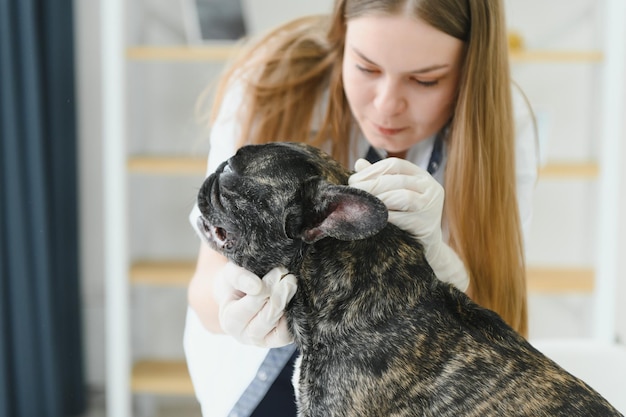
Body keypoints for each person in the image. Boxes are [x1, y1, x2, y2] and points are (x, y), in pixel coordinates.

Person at [184, 0, 539, 416]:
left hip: (400, 389)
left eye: (426, 80)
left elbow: (497, 324)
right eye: (366, 68)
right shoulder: (269, 82)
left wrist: (442, 265)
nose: (387, 105)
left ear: (470, 68)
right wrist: (229, 302)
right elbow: (204, 289)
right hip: (258, 380)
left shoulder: (502, 124)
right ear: (341, 37)